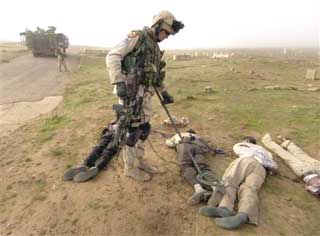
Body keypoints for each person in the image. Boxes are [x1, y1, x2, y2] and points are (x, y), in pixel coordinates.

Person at [106, 10, 184, 182]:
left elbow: (154, 74)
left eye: (169, 34)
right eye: (165, 32)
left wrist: (164, 92)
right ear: (157, 26)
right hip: (131, 93)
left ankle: (139, 161)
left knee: (144, 129)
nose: (166, 37)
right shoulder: (138, 37)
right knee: (132, 132)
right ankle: (130, 168)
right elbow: (112, 56)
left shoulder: (155, 47)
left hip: (145, 95)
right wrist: (118, 82)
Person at [199, 136, 278, 230]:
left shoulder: (245, 145)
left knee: (230, 180)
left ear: (247, 141)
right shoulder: (267, 153)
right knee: (250, 189)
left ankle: (225, 207)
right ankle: (243, 215)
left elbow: (236, 148)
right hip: (261, 169)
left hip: (246, 160)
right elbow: (274, 166)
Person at [166, 129, 222, 205]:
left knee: (186, 166)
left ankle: (199, 189)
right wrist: (214, 150)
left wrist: (175, 141)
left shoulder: (179, 135)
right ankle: (214, 186)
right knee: (202, 166)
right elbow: (206, 146)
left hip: (184, 146)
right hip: (198, 147)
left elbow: (169, 143)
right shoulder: (198, 137)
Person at [262, 133, 320, 198]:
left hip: (305, 172)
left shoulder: (317, 191)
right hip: (315, 169)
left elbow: (308, 188)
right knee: (300, 154)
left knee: (287, 155)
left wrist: (315, 185)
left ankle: (269, 142)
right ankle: (285, 142)